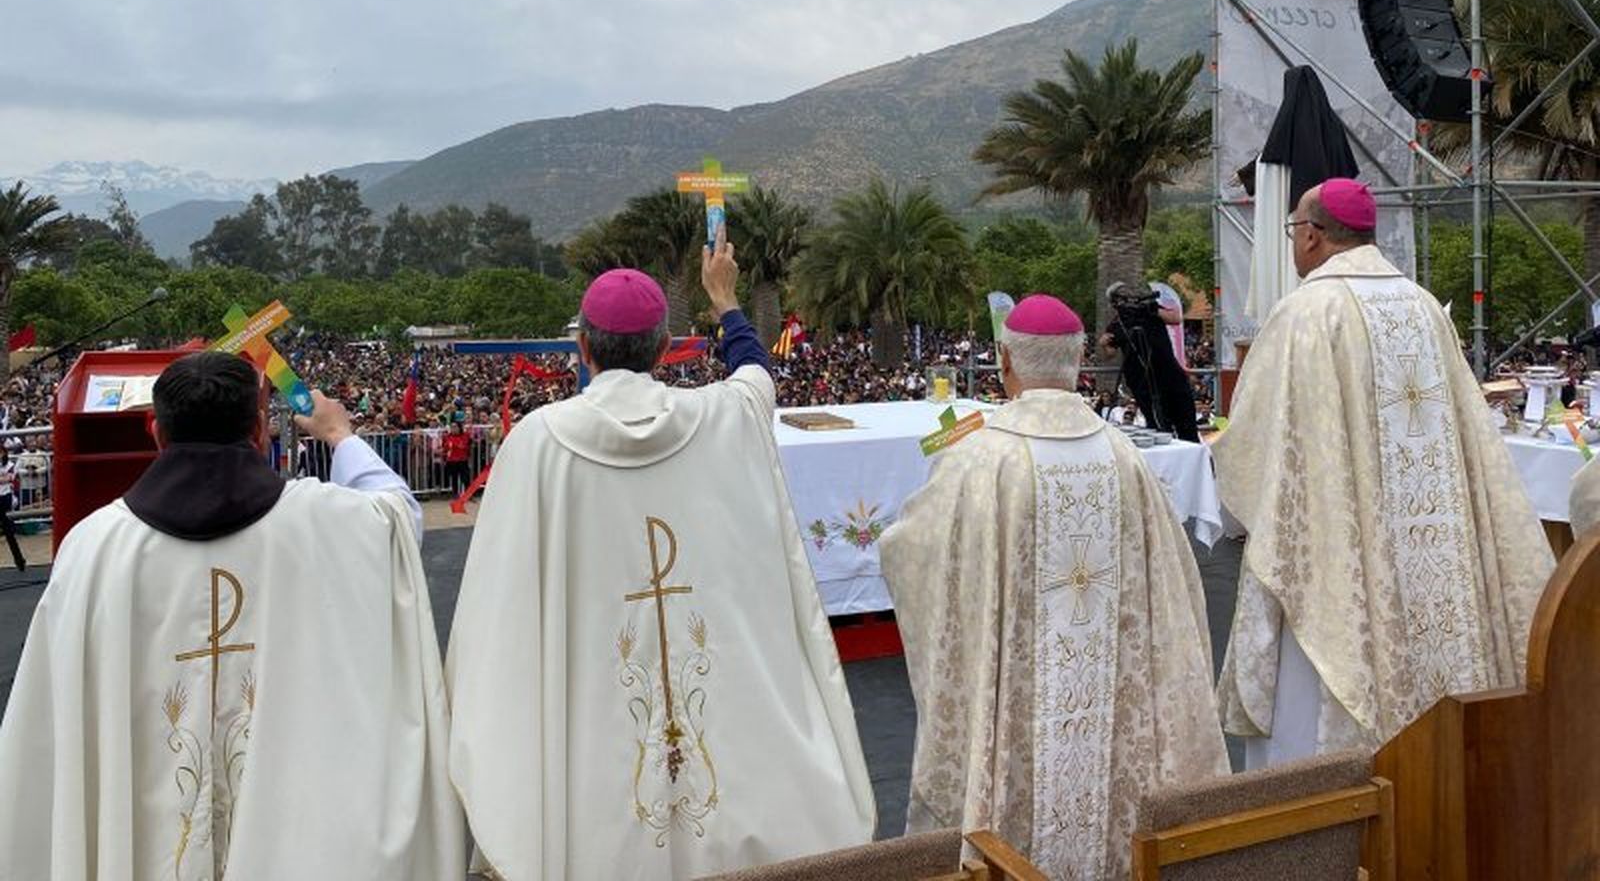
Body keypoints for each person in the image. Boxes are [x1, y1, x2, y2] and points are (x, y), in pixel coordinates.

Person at [447, 228, 874, 879]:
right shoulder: (725, 415)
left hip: (587, 723)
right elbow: (756, 375)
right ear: (666, 347)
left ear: (582, 348)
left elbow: (494, 611)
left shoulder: (537, 443)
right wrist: (726, 301)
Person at [0, 352, 464, 878]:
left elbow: (52, 715)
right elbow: (398, 514)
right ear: (260, 430)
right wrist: (339, 434)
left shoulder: (96, 547)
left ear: (156, 432)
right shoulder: (329, 520)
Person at [880, 295, 1228, 881]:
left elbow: (911, 550)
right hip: (1113, 707)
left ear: (1005, 360)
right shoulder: (1125, 456)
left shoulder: (980, 458)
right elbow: (1174, 590)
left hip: (1016, 706)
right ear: (1079, 360)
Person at [1214, 178, 1554, 767]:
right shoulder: (1425, 307)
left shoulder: (1305, 313)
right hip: (1436, 551)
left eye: (1294, 231)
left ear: (1313, 236)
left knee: (1316, 721)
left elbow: (1255, 445)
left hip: (1339, 556)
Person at [1100, 281, 1199, 442]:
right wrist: (1104, 345)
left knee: (1186, 421)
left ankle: (1192, 450)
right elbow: (1109, 354)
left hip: (1169, 374)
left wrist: (1151, 309)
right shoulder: (1117, 324)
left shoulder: (1150, 310)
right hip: (1142, 381)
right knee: (1158, 427)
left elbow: (1176, 318)